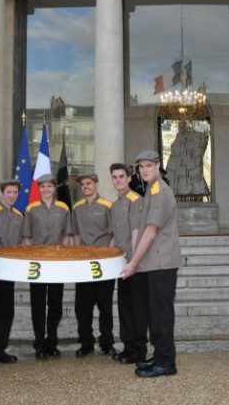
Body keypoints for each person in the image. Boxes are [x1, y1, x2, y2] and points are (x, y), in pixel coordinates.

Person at [120, 150, 181, 378]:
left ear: (157, 166)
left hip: (161, 264)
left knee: (161, 315)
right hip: (154, 264)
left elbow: (151, 231)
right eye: (141, 167)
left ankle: (166, 362)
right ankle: (159, 356)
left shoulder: (160, 191)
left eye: (148, 165)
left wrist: (133, 263)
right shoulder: (150, 190)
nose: (144, 170)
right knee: (155, 314)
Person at [23, 174, 72, 359]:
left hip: (57, 263)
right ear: (39, 189)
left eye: (49, 186)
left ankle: (52, 341)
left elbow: (67, 235)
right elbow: (27, 238)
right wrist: (29, 261)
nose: (46, 190)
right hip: (38, 263)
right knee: (37, 304)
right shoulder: (31, 208)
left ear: (54, 188)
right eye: (42, 187)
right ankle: (39, 343)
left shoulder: (63, 208)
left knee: (55, 304)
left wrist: (64, 257)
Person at [71, 172, 116, 357]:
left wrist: (108, 255)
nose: (86, 187)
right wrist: (79, 253)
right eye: (83, 185)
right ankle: (86, 343)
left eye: (89, 183)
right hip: (84, 264)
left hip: (104, 264)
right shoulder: (77, 207)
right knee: (83, 307)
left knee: (105, 306)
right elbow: (75, 233)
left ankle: (107, 343)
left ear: (96, 184)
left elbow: (113, 233)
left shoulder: (107, 205)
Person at [108, 163, 145, 364]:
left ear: (129, 178)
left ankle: (138, 350)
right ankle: (127, 346)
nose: (118, 180)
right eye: (115, 177)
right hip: (121, 265)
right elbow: (115, 236)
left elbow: (136, 233)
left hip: (134, 265)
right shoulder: (115, 204)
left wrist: (133, 262)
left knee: (136, 309)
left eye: (121, 176)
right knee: (124, 307)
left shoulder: (134, 200)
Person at [0, 178, 24, 364]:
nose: (12, 195)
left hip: (10, 269)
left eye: (15, 192)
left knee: (7, 311)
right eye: (9, 192)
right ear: (2, 193)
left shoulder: (19, 216)